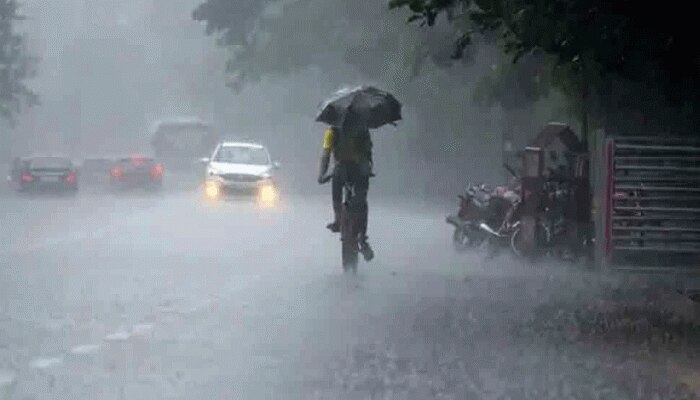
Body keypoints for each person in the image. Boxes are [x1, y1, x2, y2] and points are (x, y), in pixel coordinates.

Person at [317, 112, 374, 261]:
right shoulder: (363, 129)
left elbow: (326, 154)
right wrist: (368, 168)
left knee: (336, 187)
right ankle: (362, 235)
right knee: (362, 199)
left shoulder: (332, 131)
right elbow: (368, 154)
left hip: (341, 170)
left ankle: (337, 220)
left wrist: (322, 175)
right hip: (359, 171)